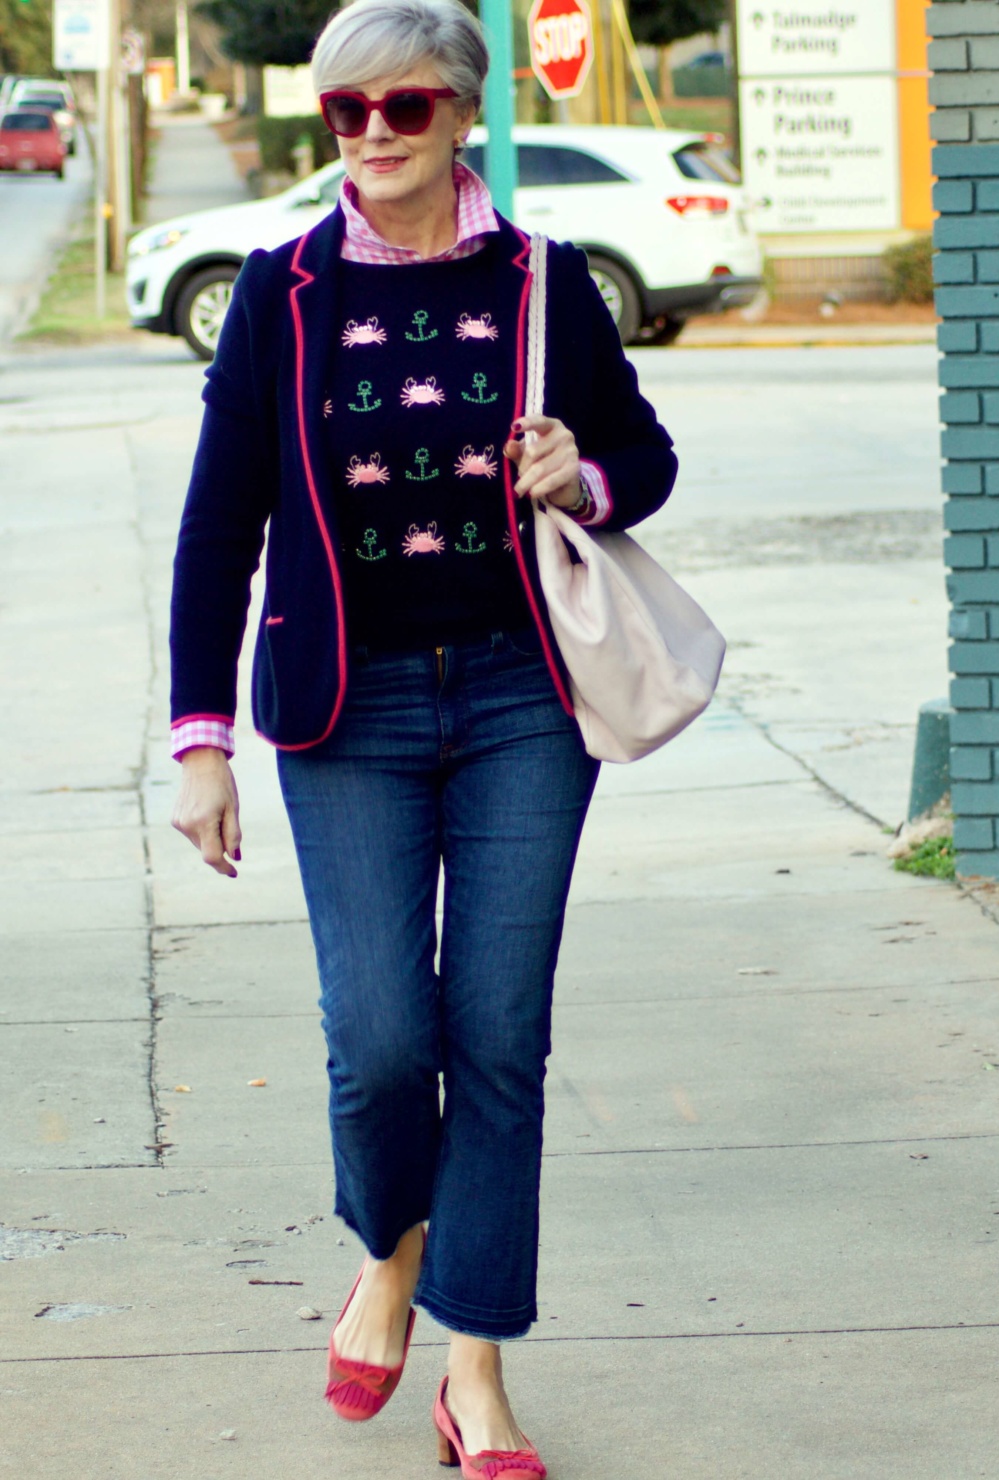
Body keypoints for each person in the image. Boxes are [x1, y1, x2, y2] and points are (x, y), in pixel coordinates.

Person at [167, 2, 676, 1474]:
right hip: (350, 708)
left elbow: (645, 454)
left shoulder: (542, 286)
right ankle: (388, 1257)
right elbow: (219, 530)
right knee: (384, 1038)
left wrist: (584, 476)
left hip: (525, 697)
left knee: (499, 1036)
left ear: (460, 114)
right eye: (346, 114)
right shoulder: (283, 293)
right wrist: (202, 739)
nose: (374, 137)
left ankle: (476, 1372)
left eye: (403, 108)